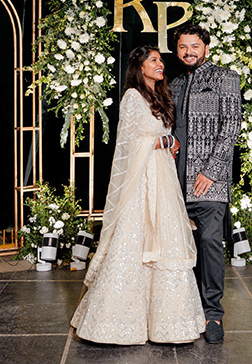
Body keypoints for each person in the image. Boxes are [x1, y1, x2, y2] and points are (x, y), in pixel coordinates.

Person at [71, 45, 205, 344]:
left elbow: (159, 135)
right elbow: (128, 145)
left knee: (166, 241)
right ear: (139, 66)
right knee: (133, 241)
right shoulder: (133, 97)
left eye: (160, 61)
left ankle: (167, 323)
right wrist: (163, 141)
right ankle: (116, 321)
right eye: (154, 61)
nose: (160, 65)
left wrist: (169, 143)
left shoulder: (159, 95)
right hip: (141, 181)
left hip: (162, 178)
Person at [170, 24, 242, 344]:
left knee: (210, 243)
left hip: (209, 182)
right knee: (176, 248)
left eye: (194, 46)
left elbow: (231, 126)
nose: (189, 52)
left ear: (206, 48)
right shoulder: (172, 84)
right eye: (183, 47)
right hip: (174, 181)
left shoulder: (225, 78)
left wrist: (211, 171)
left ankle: (212, 312)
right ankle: (183, 307)